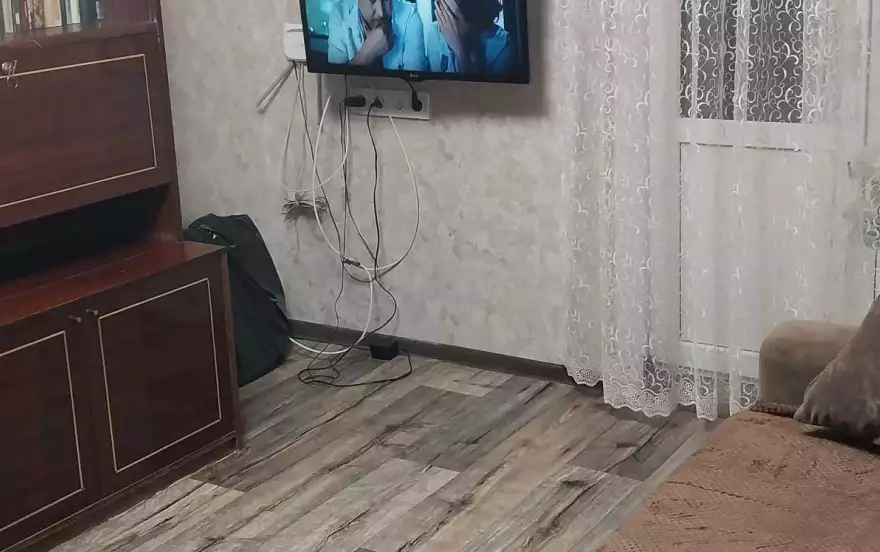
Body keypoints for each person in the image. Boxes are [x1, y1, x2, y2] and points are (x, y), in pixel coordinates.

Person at [327, 0, 429, 71]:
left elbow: (416, 86)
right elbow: (335, 85)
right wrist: (365, 56)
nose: (381, 13)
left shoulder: (410, 15)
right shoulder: (339, 14)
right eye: (372, 0)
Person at [425, 0, 515, 75]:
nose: (444, 24)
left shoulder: (503, 47)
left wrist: (461, 52)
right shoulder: (433, 33)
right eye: (440, 12)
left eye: (450, 16)